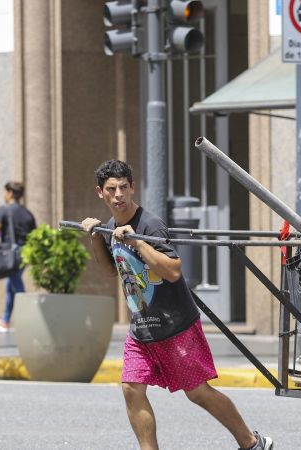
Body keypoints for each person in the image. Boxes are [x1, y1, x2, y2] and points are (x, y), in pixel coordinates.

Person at [80, 160, 272, 450]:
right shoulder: (110, 227)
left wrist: (138, 243)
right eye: (111, 189)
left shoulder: (150, 225)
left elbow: (173, 270)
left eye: (123, 187)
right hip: (142, 329)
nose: (118, 194)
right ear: (100, 193)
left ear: (133, 188)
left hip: (176, 325)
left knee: (198, 393)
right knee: (131, 389)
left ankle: (251, 442)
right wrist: (96, 237)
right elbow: (110, 270)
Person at [0, 181, 36, 333]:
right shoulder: (27, 213)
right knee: (11, 285)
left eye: (5, 192)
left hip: (10, 253)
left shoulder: (4, 209)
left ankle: (29, 316)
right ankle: (5, 320)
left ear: (10, 193)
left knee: (16, 285)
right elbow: (34, 235)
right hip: (25, 253)